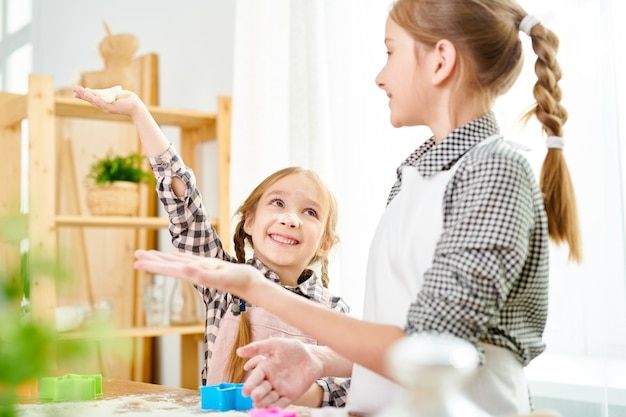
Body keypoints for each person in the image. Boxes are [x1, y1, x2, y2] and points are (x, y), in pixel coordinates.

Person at [133, 0, 581, 415]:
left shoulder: (494, 173)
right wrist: (318, 357)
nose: (380, 76)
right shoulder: (414, 176)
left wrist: (261, 291)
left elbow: (429, 347)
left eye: (390, 52)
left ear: (441, 61)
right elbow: (395, 336)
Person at [72, 85, 351, 407]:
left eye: (310, 212)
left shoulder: (334, 310)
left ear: (325, 244)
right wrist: (139, 113)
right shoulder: (225, 280)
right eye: (277, 203)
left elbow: (350, 388)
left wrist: (301, 392)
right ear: (248, 221)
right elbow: (185, 206)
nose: (291, 219)